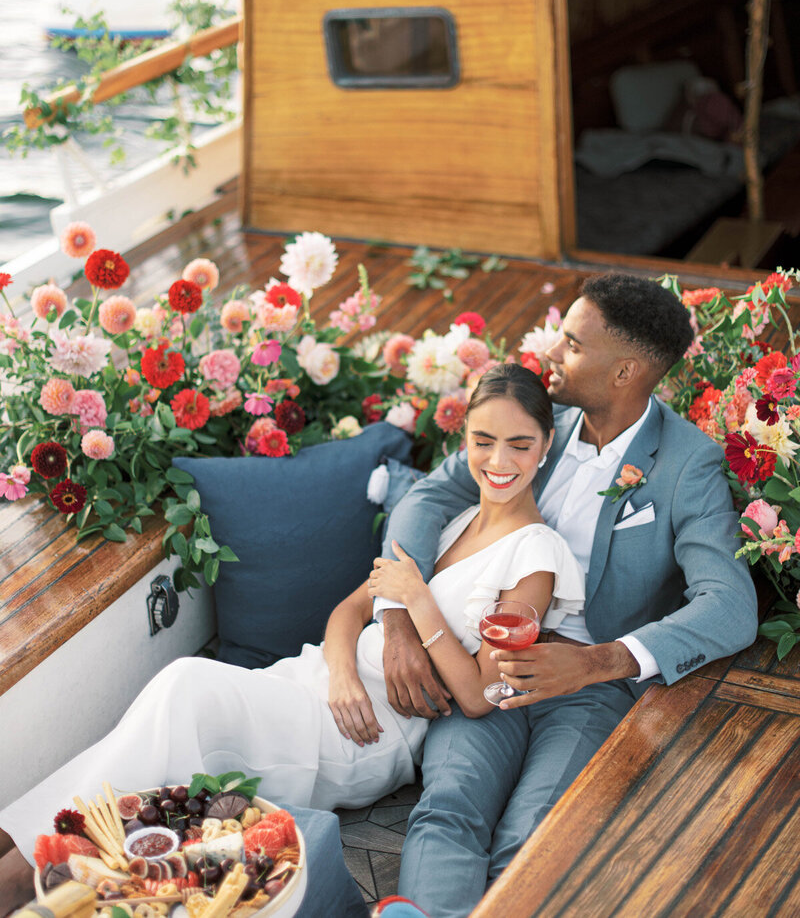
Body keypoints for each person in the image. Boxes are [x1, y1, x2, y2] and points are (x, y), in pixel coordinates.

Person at [0, 365, 584, 913]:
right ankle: (38, 852)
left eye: (519, 444)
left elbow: (481, 694)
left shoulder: (536, 552)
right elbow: (348, 613)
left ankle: (27, 859)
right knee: (174, 716)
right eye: (484, 441)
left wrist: (419, 598)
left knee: (185, 689)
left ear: (547, 444)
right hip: (321, 682)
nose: (498, 460)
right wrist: (342, 673)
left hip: (373, 731)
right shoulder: (453, 523)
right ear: (465, 441)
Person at [375, 273, 760, 918]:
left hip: (588, 686)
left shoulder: (688, 464)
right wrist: (398, 620)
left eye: (572, 343)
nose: (552, 351)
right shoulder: (533, 427)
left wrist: (598, 660)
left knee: (534, 834)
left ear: (625, 371)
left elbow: (730, 604)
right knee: (446, 810)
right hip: (485, 664)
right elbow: (430, 495)